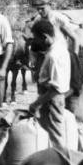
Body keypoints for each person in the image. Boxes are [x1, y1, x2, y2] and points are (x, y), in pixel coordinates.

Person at [28, 19, 70, 153]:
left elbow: (55, 89)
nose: (35, 42)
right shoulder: (60, 47)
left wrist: (36, 104)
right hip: (52, 98)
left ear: (45, 37)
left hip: (52, 100)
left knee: (57, 138)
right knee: (51, 134)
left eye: (36, 38)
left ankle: (63, 164)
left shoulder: (53, 56)